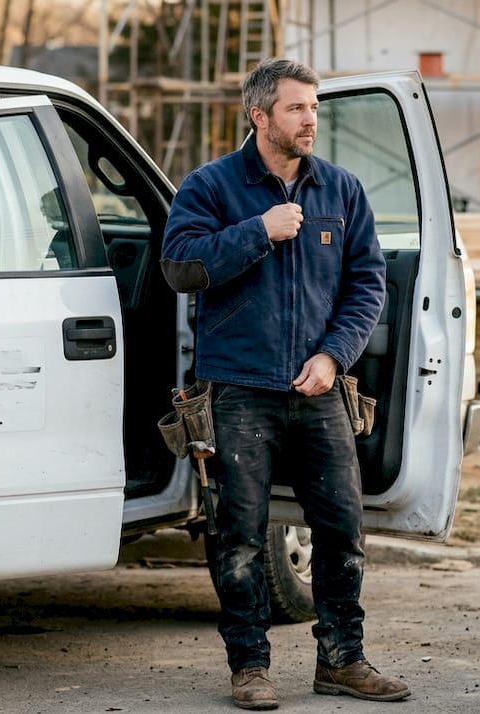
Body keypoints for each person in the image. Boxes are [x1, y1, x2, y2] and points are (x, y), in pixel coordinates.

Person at [160, 58, 408, 709]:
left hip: (318, 389)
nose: (310, 120)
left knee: (342, 529)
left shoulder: (342, 191)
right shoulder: (211, 186)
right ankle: (249, 666)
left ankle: (342, 660)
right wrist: (256, 233)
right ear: (260, 115)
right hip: (238, 390)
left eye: (315, 108)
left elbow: (367, 284)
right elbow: (179, 267)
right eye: (297, 108)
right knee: (238, 534)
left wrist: (334, 356)